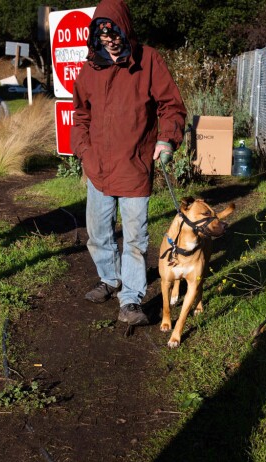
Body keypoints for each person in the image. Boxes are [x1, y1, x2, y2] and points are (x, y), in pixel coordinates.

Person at [71, 0, 187, 326]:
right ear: (96, 35)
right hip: (98, 168)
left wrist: (167, 139)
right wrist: (84, 150)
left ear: (125, 28)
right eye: (102, 33)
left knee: (135, 238)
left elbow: (171, 106)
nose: (109, 39)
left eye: (114, 32)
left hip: (134, 166)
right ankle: (110, 279)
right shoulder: (90, 68)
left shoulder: (148, 60)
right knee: (97, 233)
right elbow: (80, 114)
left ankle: (131, 299)